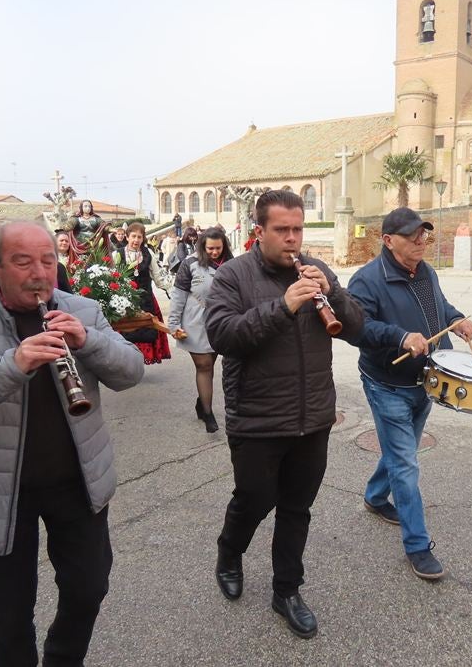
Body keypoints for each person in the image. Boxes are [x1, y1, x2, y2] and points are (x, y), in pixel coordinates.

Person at [0, 221, 145, 667]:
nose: (40, 273)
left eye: (48, 260)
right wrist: (11, 364)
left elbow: (131, 372)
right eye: (23, 262)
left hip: (78, 483)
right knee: (9, 614)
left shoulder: (84, 312)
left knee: (88, 588)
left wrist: (88, 340)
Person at [205, 190, 363, 639]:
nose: (293, 239)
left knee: (297, 508)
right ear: (259, 231)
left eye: (298, 230)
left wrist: (333, 293)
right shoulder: (233, 276)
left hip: (312, 417)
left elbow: (356, 328)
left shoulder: (318, 270)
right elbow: (222, 335)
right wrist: (284, 305)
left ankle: (286, 590)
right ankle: (229, 550)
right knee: (254, 499)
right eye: (283, 230)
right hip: (257, 419)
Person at [346, 207, 472, 581]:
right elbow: (360, 331)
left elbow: (439, 307)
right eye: (412, 236)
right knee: (406, 463)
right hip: (387, 384)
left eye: (424, 234)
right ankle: (417, 545)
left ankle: (375, 497)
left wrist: (459, 320)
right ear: (388, 240)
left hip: (427, 380)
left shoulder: (426, 272)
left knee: (400, 452)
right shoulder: (366, 281)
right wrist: (400, 337)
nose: (421, 241)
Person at [167, 228, 234, 434]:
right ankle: (208, 413)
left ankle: (201, 400)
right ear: (202, 247)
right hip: (195, 319)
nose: (214, 252)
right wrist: (173, 323)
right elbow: (178, 295)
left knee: (211, 363)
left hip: (220, 321)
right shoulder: (189, 264)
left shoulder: (232, 264)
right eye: (210, 248)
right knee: (204, 365)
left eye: (218, 248)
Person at [112, 222, 171, 365]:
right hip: (124, 301)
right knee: (126, 332)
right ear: (127, 237)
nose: (136, 240)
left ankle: (139, 362)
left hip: (146, 299)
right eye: (133, 236)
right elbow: (111, 277)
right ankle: (126, 361)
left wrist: (170, 289)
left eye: (139, 237)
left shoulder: (148, 253)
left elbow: (157, 277)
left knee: (146, 331)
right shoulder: (117, 254)